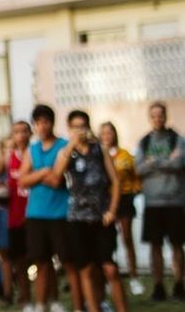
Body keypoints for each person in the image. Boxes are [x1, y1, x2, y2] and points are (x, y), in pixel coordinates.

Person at [52, 110, 127, 312]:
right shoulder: (66, 152)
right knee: (86, 268)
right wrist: (71, 145)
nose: (80, 130)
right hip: (77, 218)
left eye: (83, 126)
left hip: (101, 216)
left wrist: (112, 210)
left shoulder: (99, 150)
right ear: (69, 129)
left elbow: (116, 182)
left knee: (109, 268)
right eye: (75, 127)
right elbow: (56, 175)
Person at [20, 104, 76, 312]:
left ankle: (61, 301)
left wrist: (40, 176)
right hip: (36, 213)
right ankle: (41, 303)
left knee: (67, 261)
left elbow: (56, 180)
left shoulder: (64, 145)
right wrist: (44, 171)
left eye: (45, 122)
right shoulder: (32, 149)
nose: (42, 126)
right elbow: (23, 180)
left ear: (52, 123)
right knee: (41, 262)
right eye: (38, 123)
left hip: (60, 213)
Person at [135, 101, 185, 301]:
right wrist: (166, 161)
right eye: (154, 115)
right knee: (155, 246)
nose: (158, 118)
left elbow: (179, 163)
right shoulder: (144, 142)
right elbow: (139, 168)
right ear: (150, 117)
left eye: (161, 115)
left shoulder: (177, 139)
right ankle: (158, 286)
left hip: (175, 200)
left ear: (165, 116)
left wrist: (153, 162)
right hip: (152, 202)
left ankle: (179, 284)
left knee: (177, 245)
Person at [0, 120, 32, 309]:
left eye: (23, 131)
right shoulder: (7, 159)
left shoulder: (33, 154)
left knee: (34, 258)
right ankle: (13, 293)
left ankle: (31, 295)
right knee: (13, 257)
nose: (20, 136)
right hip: (11, 213)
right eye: (16, 132)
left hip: (31, 210)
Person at [100, 122, 144, 297]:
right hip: (106, 200)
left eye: (109, 132)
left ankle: (134, 277)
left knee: (127, 238)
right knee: (108, 241)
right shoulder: (98, 155)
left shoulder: (125, 155)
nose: (107, 136)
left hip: (124, 199)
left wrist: (135, 188)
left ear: (114, 134)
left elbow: (136, 176)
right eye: (103, 133)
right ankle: (110, 277)